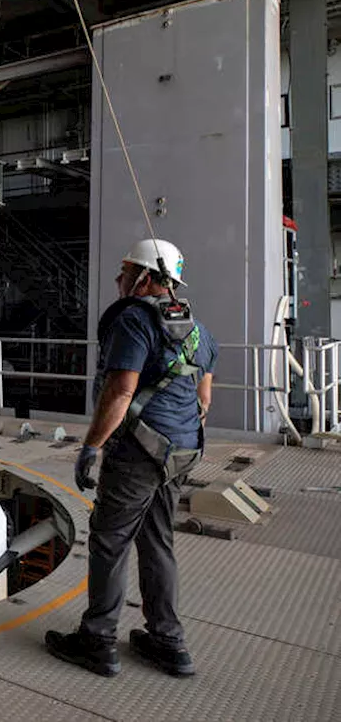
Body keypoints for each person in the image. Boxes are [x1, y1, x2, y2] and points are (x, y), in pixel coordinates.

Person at [46, 238, 217, 679]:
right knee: (158, 541)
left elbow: (121, 391)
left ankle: (98, 641)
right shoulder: (200, 330)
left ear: (144, 277)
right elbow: (203, 400)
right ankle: (168, 642)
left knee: (110, 541)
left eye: (125, 272)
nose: (119, 280)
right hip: (182, 451)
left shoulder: (136, 323)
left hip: (139, 452)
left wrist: (92, 446)